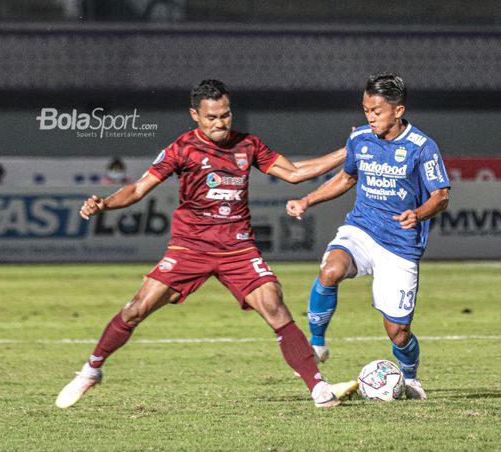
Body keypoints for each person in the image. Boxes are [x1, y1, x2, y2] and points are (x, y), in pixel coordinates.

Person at [56, 79, 358, 409]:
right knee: (136, 308)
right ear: (195, 115)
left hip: (238, 249)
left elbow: (297, 173)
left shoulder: (248, 145)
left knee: (274, 305)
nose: (220, 123)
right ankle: (91, 370)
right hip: (190, 248)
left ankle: (319, 388)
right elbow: (140, 189)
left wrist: (349, 149)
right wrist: (106, 204)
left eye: (225, 116)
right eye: (212, 117)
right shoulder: (182, 148)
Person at [286, 73, 450, 400]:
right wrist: (307, 200)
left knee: (398, 332)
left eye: (376, 111)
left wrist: (417, 214)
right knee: (330, 270)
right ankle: (316, 343)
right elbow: (346, 179)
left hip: (400, 244)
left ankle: (411, 377)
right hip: (361, 227)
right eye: (365, 110)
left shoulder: (422, 147)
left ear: (398, 110)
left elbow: (441, 195)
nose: (369, 117)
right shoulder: (360, 138)